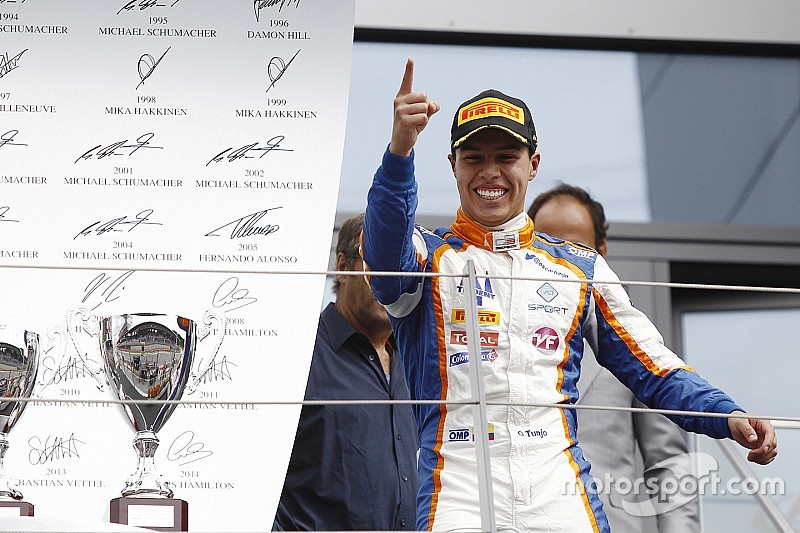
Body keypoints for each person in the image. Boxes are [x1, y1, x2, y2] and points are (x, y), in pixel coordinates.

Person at [361, 59, 777, 533]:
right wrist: (399, 153)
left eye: (506, 157)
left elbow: (653, 365)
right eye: (474, 157)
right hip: (456, 489)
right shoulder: (426, 256)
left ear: (532, 164)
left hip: (558, 493)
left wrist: (726, 414)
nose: (489, 172)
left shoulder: (579, 267)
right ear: (453, 166)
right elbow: (382, 249)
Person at [528, 184, 700, 531]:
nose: (560, 261)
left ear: (600, 255)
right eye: (546, 246)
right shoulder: (498, 339)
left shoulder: (634, 343)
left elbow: (669, 463)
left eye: (575, 248)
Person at [273, 213, 418, 531]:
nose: (390, 284)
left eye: (403, 270)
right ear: (342, 266)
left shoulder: (418, 359)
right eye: (376, 267)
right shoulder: (295, 355)